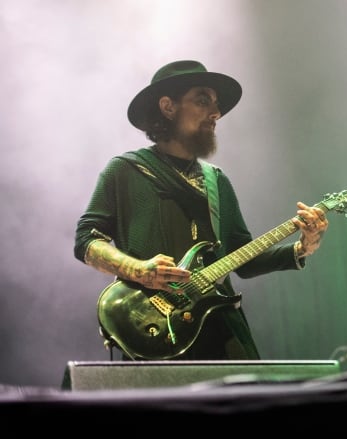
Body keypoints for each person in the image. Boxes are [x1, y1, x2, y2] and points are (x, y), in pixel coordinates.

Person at [74, 60, 328, 361]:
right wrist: (140, 271)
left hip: (219, 325)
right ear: (168, 106)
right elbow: (87, 241)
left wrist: (302, 246)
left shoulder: (216, 180)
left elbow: (242, 258)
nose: (216, 113)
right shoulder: (125, 171)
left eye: (216, 105)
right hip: (154, 323)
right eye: (203, 100)